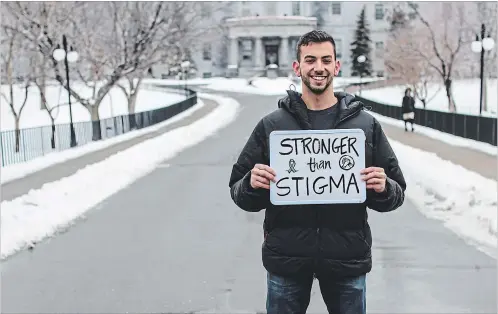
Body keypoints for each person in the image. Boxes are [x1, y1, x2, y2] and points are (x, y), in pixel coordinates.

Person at [228, 30, 406, 314]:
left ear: (337, 66)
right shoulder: (272, 126)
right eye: (310, 60)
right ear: (297, 67)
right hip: (286, 258)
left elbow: (397, 192)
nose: (318, 68)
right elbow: (238, 192)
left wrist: (384, 187)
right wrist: (251, 183)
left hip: (346, 258)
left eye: (326, 60)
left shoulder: (365, 126)